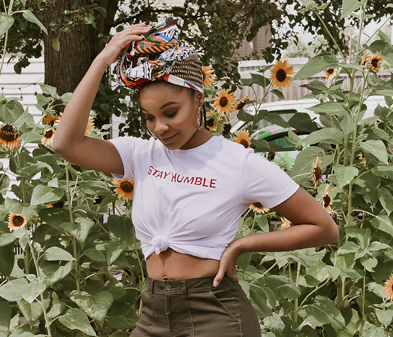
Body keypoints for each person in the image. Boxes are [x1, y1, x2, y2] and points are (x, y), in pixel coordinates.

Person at [53, 19, 339, 336]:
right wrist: (102, 60)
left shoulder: (236, 162)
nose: (159, 127)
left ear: (197, 100)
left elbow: (323, 227)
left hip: (215, 315)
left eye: (170, 112)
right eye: (150, 117)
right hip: (153, 316)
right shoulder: (141, 154)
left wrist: (242, 245)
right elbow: (65, 143)